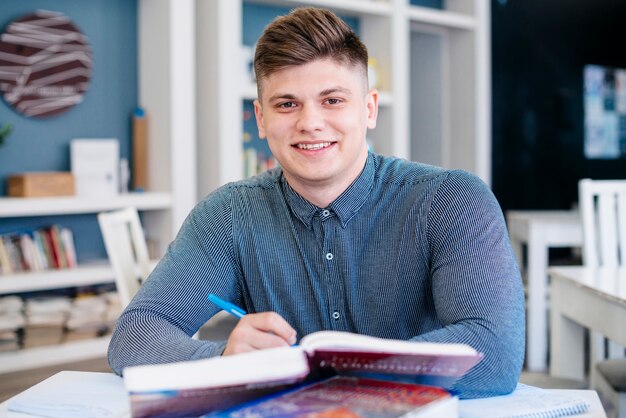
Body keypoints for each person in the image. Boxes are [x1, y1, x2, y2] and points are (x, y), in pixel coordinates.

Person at [108, 7, 524, 399]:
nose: (310, 122)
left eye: (332, 100)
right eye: (287, 104)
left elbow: (496, 351)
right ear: (261, 118)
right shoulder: (228, 215)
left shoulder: (452, 200)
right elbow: (133, 337)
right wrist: (224, 359)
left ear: (369, 108)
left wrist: (338, 372)